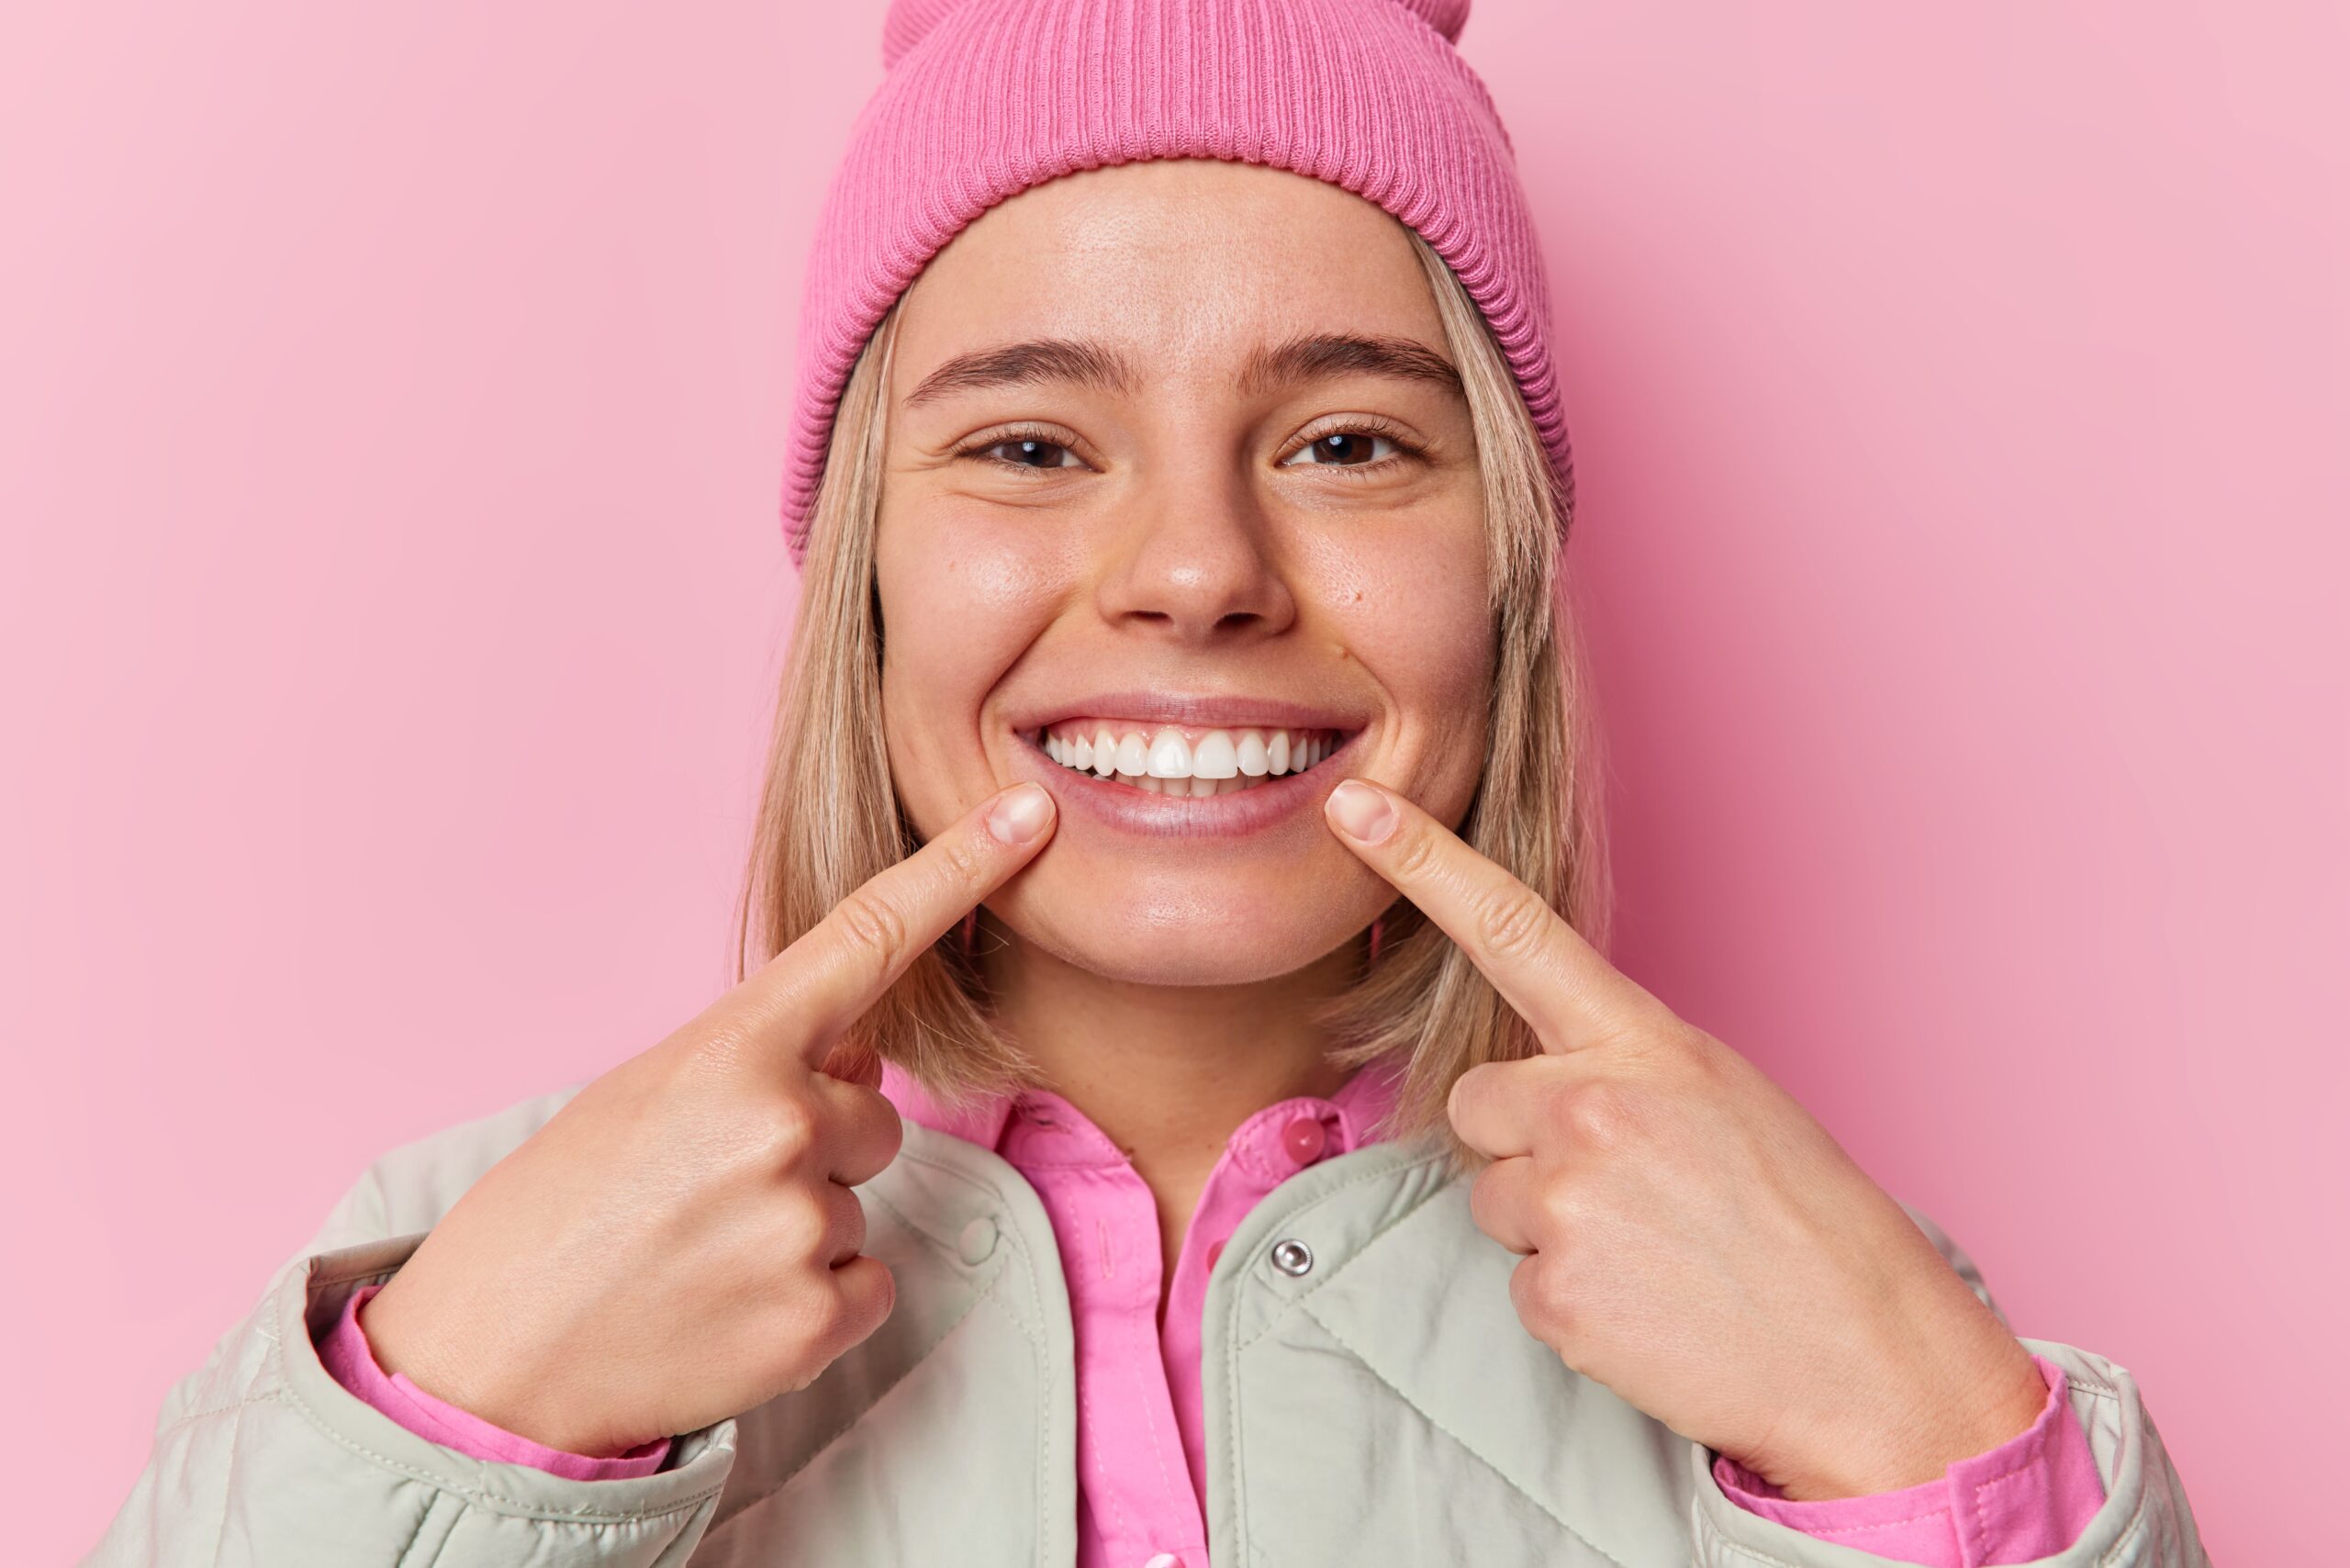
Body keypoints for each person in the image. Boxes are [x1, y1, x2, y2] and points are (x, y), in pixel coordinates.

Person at [90, 1, 2210, 1563]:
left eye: (1351, 441)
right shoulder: (458, 1282)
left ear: (1509, 569)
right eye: (1025, 444)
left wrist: (1928, 1449)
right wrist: (458, 1432)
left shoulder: (1806, 1290)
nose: (1196, 571)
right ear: (863, 571)